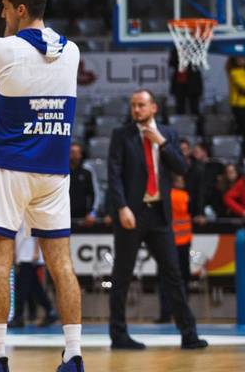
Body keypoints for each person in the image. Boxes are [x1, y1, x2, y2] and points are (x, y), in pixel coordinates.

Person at [0, 0, 86, 372]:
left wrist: (6, 37)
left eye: (4, 8)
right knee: (62, 265)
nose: (1, 15)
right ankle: (73, 357)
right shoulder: (70, 51)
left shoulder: (4, 47)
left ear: (19, 9)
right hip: (53, 172)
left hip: (7, 168)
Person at [107, 89, 208, 350]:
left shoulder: (168, 134)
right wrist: (121, 208)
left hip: (159, 213)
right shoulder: (122, 135)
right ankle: (119, 335)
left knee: (173, 273)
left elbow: (182, 168)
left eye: (141, 105)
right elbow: (114, 174)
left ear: (153, 108)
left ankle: (189, 333)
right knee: (122, 275)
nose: (136, 110)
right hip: (132, 213)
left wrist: (161, 142)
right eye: (133, 105)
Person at [156, 175, 194, 323]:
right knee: (182, 279)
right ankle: (183, 315)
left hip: (167, 241)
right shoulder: (185, 196)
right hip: (183, 242)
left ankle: (165, 314)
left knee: (164, 279)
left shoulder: (165, 195)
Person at [12, 223, 58, 328]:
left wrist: (36, 252)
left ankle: (18, 317)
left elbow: (37, 234)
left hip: (29, 255)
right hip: (22, 255)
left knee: (21, 288)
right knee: (35, 287)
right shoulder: (19, 214)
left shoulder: (30, 211)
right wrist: (15, 253)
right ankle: (50, 311)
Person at [69, 142, 98, 226]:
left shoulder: (87, 172)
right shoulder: (62, 171)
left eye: (77, 152)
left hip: (83, 216)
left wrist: (92, 213)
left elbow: (94, 193)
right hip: (65, 215)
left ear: (81, 154)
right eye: (72, 152)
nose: (74, 155)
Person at [169, 47, 203, 115]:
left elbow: (199, 62)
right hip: (180, 83)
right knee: (180, 108)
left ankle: (196, 123)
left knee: (194, 108)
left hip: (193, 84)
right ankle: (180, 123)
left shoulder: (195, 49)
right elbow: (171, 63)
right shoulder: (176, 49)